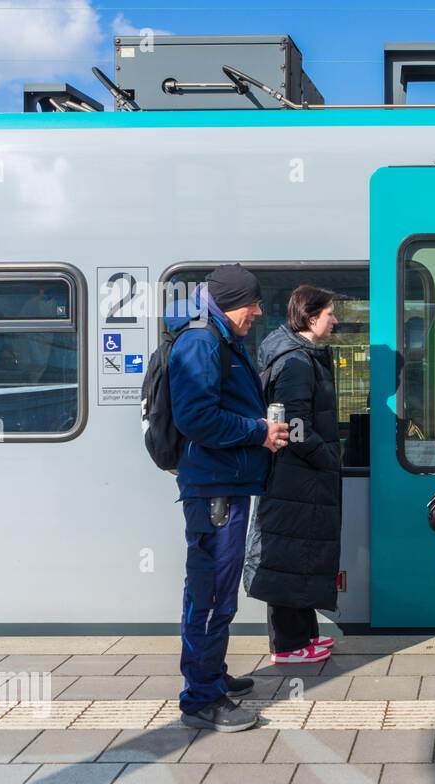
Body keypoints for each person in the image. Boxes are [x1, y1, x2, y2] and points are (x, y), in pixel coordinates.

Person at [167, 264, 289, 732]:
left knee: (216, 590)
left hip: (225, 483)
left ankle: (211, 674)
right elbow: (196, 417)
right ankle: (201, 699)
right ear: (231, 302)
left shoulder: (219, 338)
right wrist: (258, 432)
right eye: (252, 304)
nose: (257, 312)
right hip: (214, 489)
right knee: (212, 593)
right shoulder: (202, 342)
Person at [243, 285, 342, 664]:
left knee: (300, 554)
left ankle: (304, 636)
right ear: (311, 318)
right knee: (288, 555)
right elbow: (295, 423)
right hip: (296, 475)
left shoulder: (302, 357)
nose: (335, 321)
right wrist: (327, 458)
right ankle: (287, 646)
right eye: (330, 314)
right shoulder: (297, 363)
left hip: (300, 476)